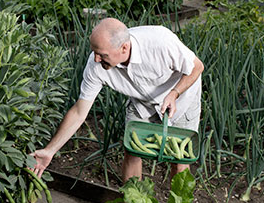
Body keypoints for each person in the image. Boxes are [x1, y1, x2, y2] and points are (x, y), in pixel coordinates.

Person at [31, 17, 204, 182]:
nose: (96, 59)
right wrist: (50, 150)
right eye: (94, 52)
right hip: (142, 103)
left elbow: (197, 66)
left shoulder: (160, 41)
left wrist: (174, 93)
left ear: (124, 48)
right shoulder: (96, 65)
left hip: (181, 99)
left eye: (102, 54)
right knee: (132, 150)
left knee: (180, 158)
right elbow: (79, 112)